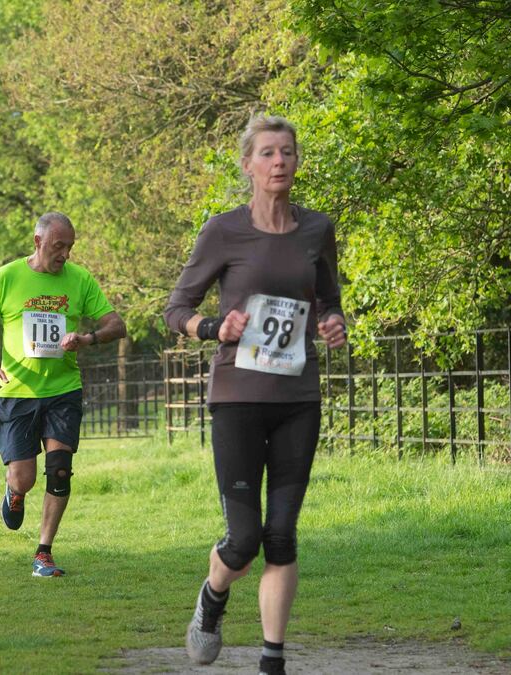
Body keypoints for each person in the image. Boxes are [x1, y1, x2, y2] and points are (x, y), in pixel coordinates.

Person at [163, 113, 347, 675]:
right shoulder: (223, 231)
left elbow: (328, 299)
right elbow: (176, 310)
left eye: (287, 152)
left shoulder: (317, 230)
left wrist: (333, 322)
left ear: (296, 161)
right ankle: (212, 598)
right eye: (267, 153)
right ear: (248, 165)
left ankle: (272, 659)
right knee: (243, 541)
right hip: (238, 398)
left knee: (282, 535)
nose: (278, 162)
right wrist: (215, 327)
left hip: (298, 401)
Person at [0, 211, 126, 578]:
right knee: (23, 477)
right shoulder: (7, 276)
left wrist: (87, 338)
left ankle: (44, 552)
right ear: (38, 242)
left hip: (63, 389)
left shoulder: (80, 279)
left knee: (59, 470)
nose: (65, 254)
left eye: (70, 247)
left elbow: (116, 325)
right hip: (18, 391)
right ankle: (14, 491)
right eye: (59, 246)